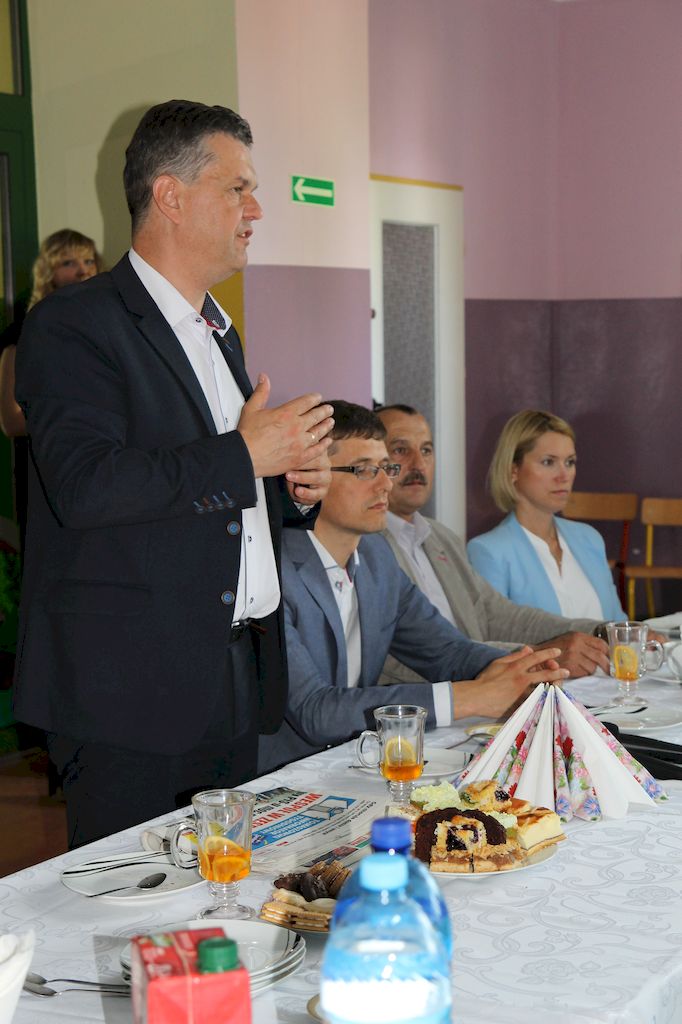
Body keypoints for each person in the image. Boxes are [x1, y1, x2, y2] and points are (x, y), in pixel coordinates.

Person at [14, 99, 334, 847]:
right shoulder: (74, 325)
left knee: (223, 893)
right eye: (237, 188)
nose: (256, 209)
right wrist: (247, 456)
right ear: (170, 195)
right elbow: (87, 485)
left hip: (233, 677)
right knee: (142, 904)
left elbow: (214, 495)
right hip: (130, 696)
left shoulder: (216, 329)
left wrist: (290, 488)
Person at [258, 402, 568, 773]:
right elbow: (316, 710)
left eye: (386, 468)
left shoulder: (376, 557)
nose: (385, 484)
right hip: (277, 778)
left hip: (356, 762)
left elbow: (446, 651)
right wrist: (470, 697)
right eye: (363, 470)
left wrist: (521, 670)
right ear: (309, 480)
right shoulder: (269, 571)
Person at [376, 404, 611, 680]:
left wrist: (599, 632)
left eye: (426, 450)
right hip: (430, 698)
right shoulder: (366, 547)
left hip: (480, 691)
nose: (418, 464)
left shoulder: (441, 538)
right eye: (400, 450)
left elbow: (496, 614)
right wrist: (540, 656)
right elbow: (401, 656)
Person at [467, 409, 625, 620]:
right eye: (548, 462)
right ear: (513, 470)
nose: (564, 476)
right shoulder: (489, 552)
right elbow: (493, 635)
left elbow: (618, 624)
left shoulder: (590, 538)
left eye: (569, 462)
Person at [0, 229, 103, 439]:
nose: (83, 271)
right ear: (48, 272)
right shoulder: (23, 336)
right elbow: (12, 422)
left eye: (88, 261)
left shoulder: (110, 328)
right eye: (68, 263)